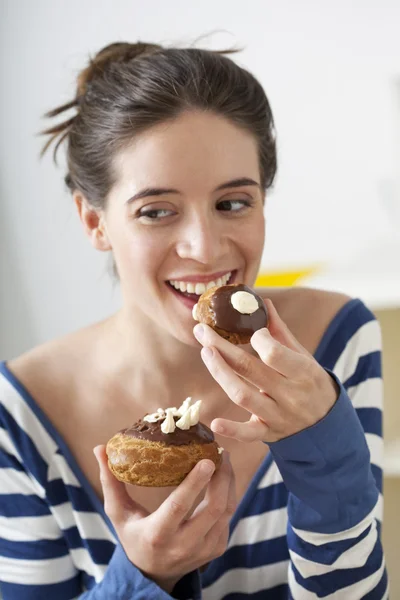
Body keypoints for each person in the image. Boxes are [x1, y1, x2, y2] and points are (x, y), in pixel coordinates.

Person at [0, 41, 387, 599]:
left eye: (233, 203)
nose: (205, 251)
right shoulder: (18, 413)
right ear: (94, 220)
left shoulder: (333, 342)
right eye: (156, 211)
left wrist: (327, 452)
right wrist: (141, 578)